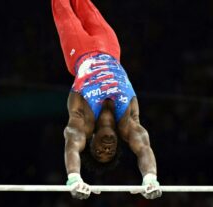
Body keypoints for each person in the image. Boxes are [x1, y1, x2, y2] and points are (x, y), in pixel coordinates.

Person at [51, 0, 162, 200]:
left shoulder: (83, 122)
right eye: (110, 152)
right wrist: (150, 178)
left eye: (100, 152)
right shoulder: (128, 123)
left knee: (62, 6)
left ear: (91, 142)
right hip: (110, 48)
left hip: (79, 51)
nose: (107, 148)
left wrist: (74, 178)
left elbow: (72, 142)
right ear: (119, 144)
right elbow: (144, 148)